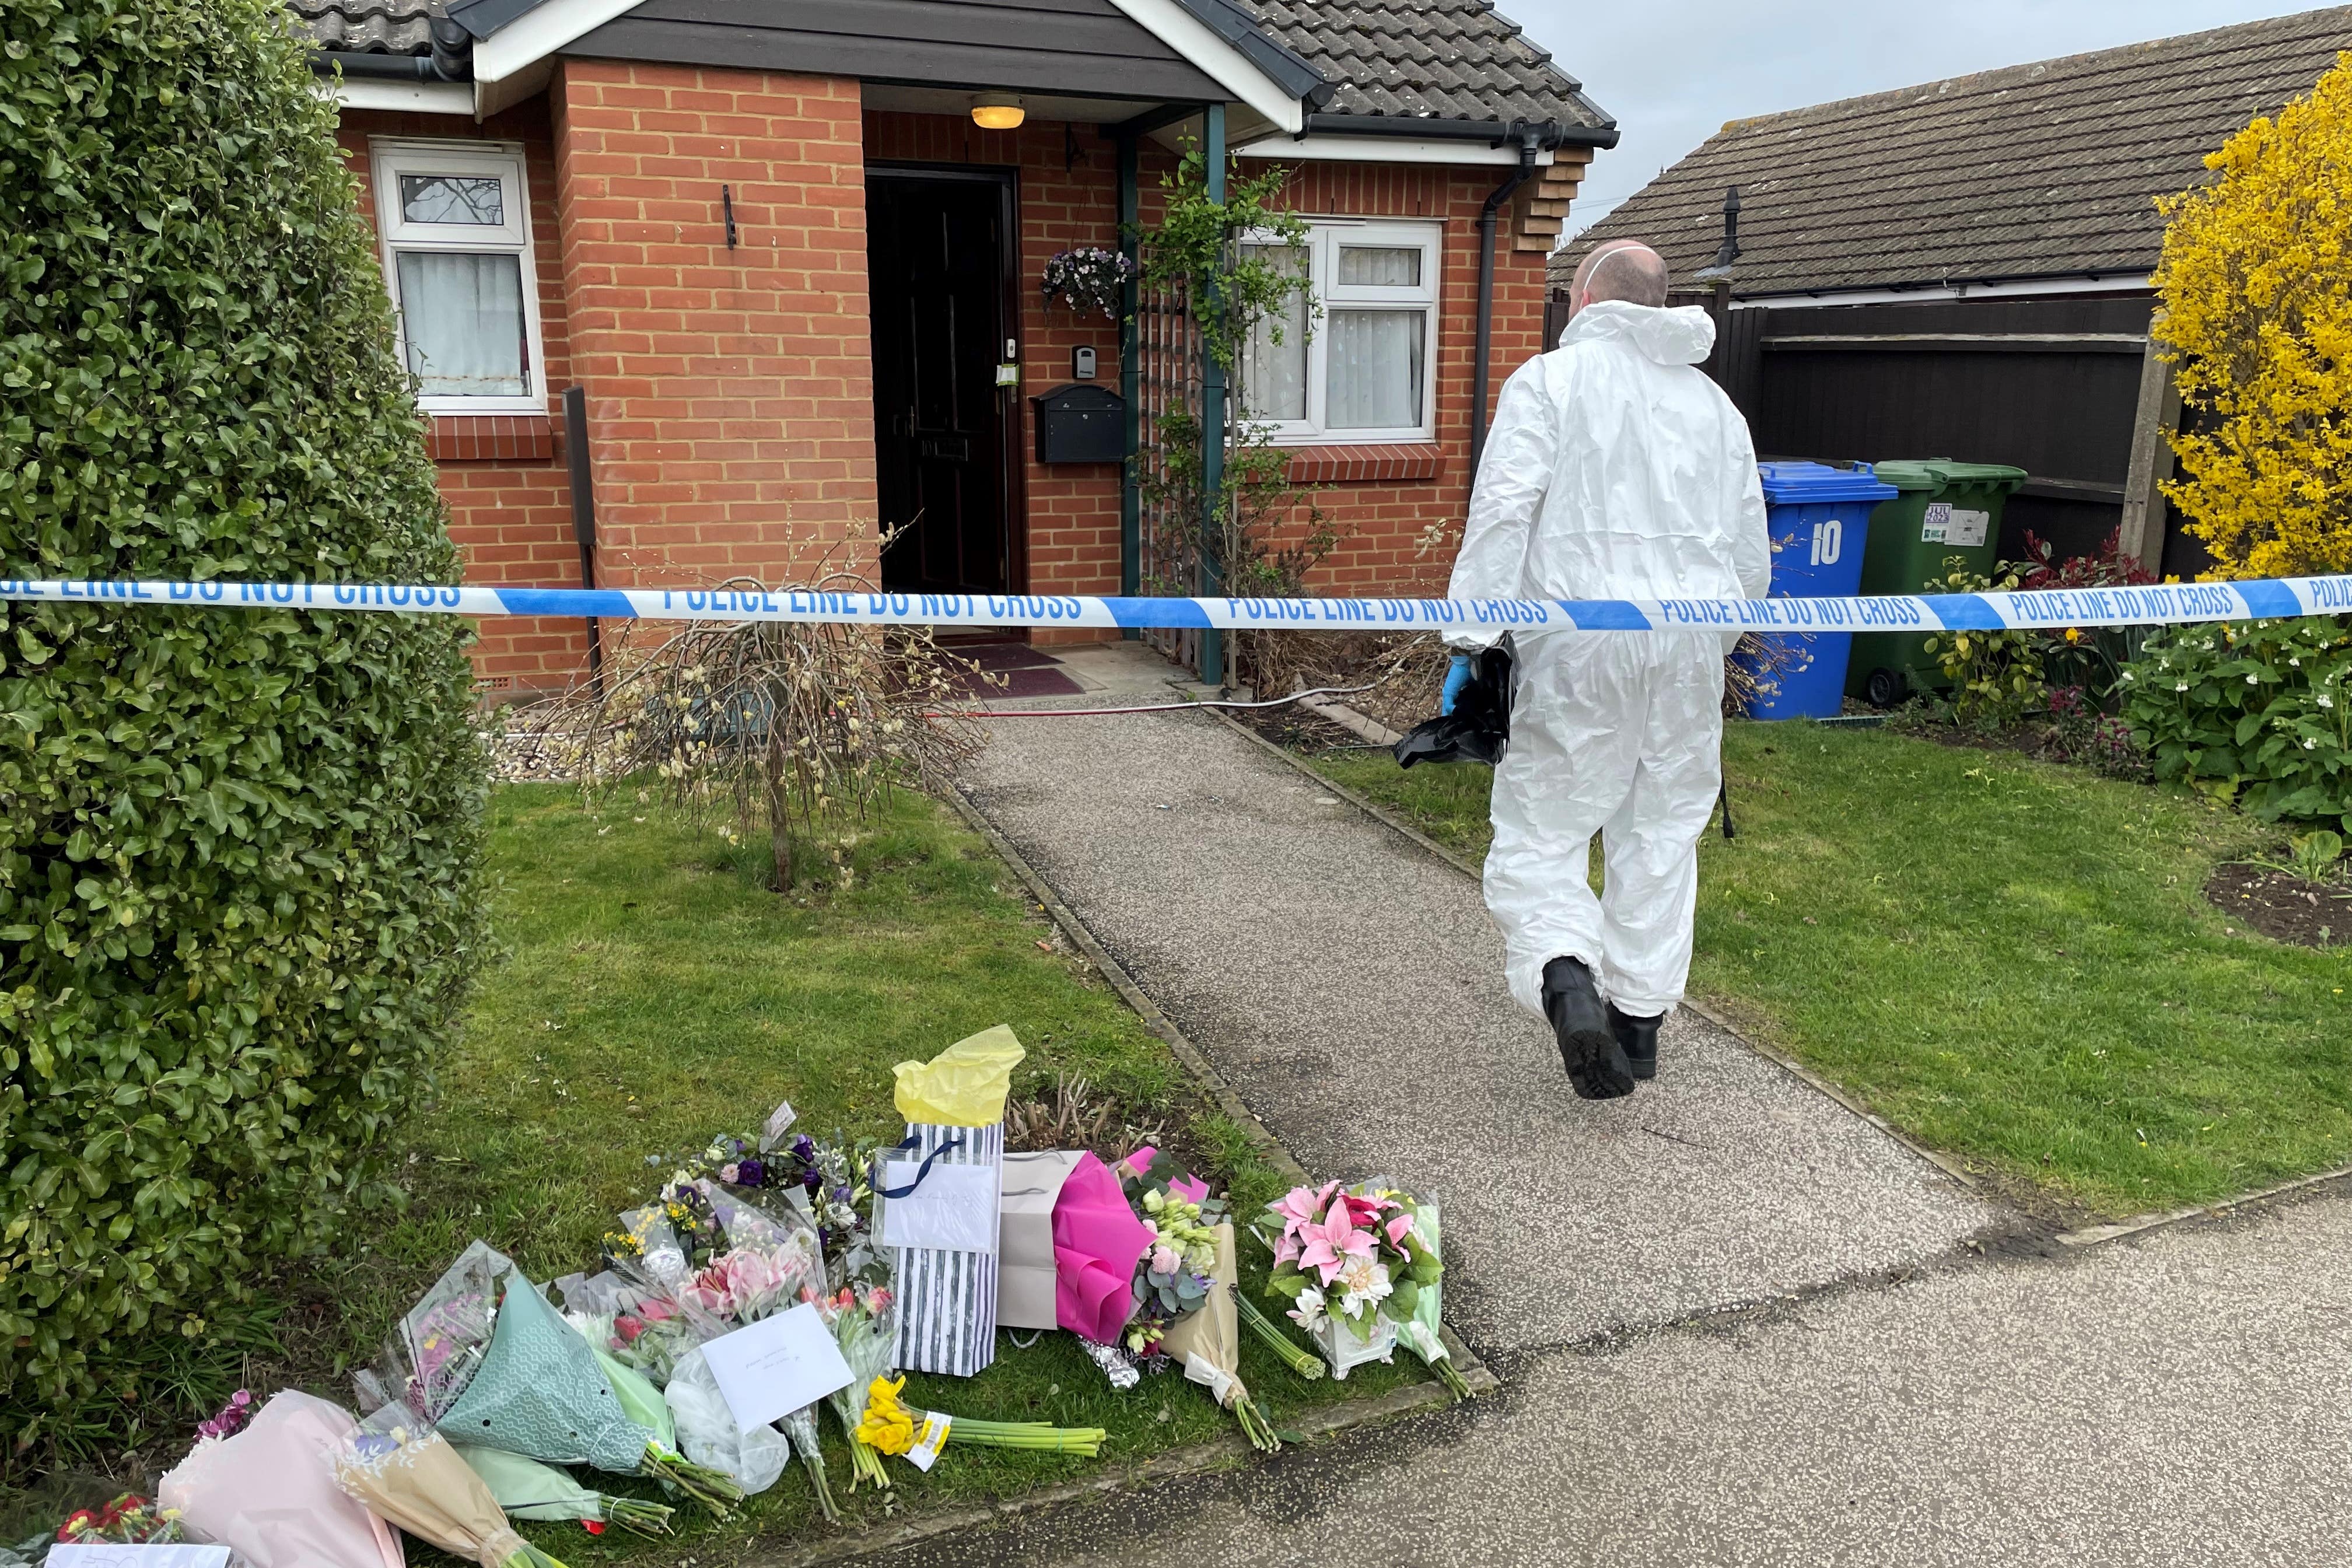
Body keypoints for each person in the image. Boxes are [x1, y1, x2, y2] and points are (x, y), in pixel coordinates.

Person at [1443, 240, 1769, 1099]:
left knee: (1545, 829)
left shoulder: (1549, 384)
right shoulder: (1715, 408)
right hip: (1688, 649)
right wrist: (1714, 645)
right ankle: (1641, 1024)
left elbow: (1504, 512)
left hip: (1577, 646)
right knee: (1660, 835)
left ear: (1586, 298)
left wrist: (1474, 639)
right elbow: (1750, 561)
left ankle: (1567, 981)